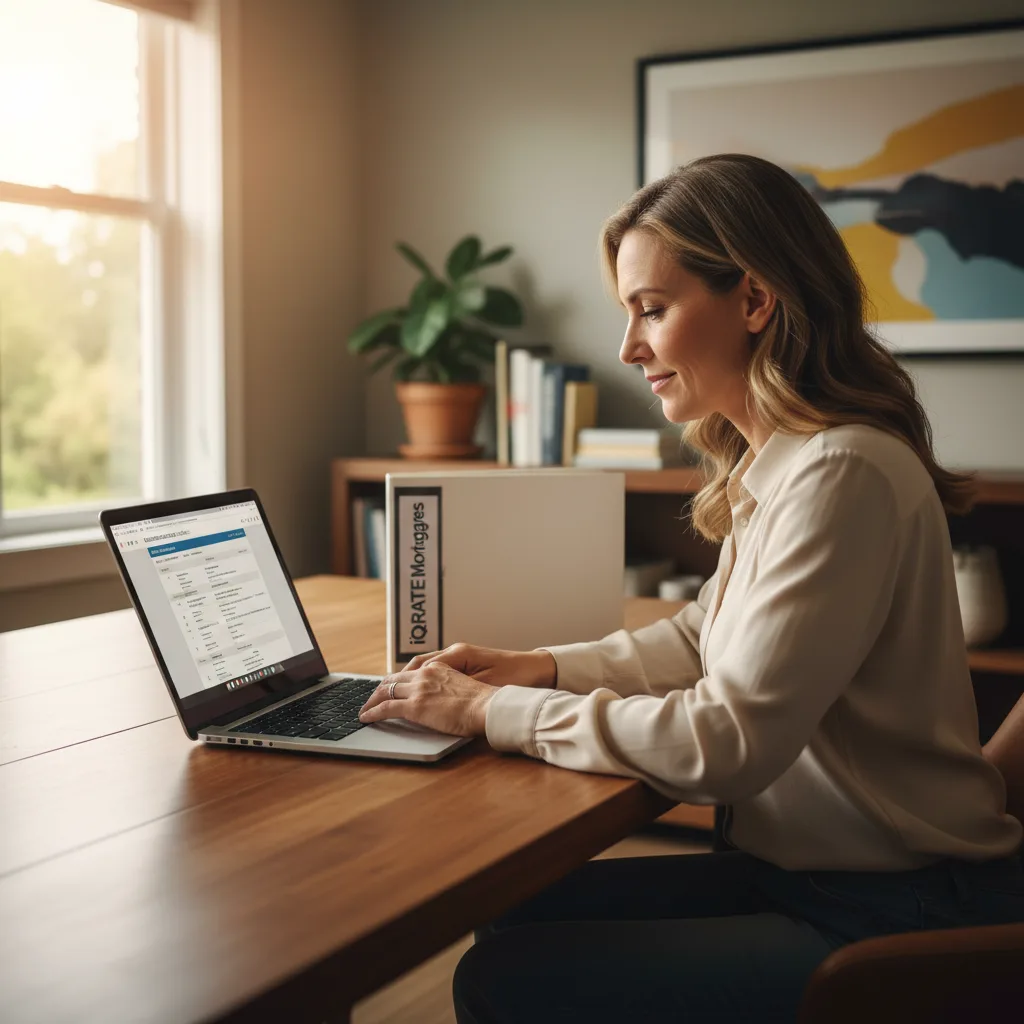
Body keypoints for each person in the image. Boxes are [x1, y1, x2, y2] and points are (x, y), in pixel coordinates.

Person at [358, 154, 1024, 1023]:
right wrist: (539, 668)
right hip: (816, 877)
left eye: (652, 309)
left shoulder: (841, 471)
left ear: (755, 301)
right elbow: (699, 636)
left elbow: (729, 741)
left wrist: (492, 712)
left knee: (501, 978)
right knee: (514, 912)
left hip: (891, 906)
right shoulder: (787, 461)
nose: (628, 347)